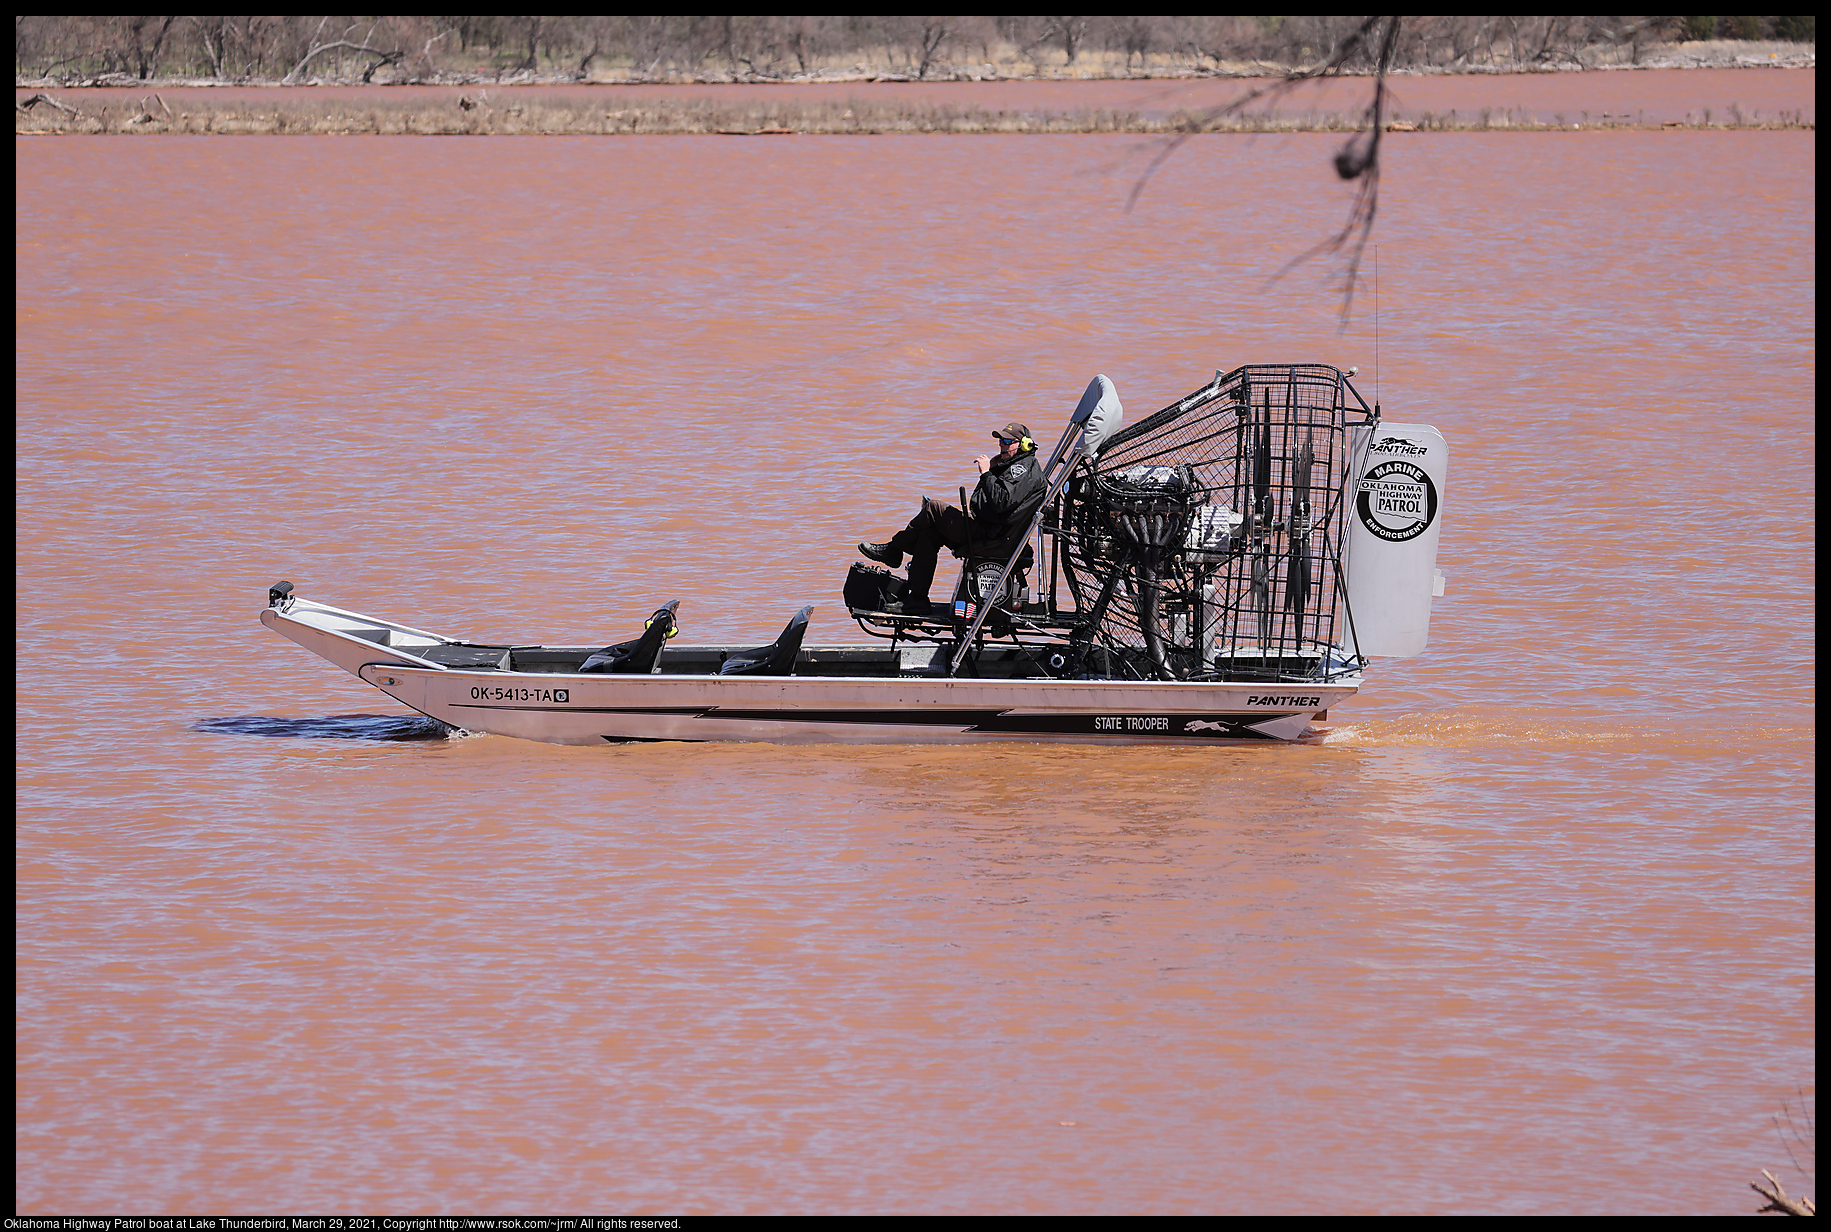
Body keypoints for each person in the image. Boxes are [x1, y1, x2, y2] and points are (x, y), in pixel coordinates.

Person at [858, 422, 1047, 616]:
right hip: (988, 529)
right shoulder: (1013, 466)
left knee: (933, 508)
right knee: (929, 532)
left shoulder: (1024, 469)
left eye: (1007, 441)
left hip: (993, 537)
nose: (1002, 445)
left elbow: (1001, 501)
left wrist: (987, 473)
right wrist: (996, 468)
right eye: (1000, 441)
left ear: (1024, 444)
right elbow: (987, 501)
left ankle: (894, 549)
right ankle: (917, 599)